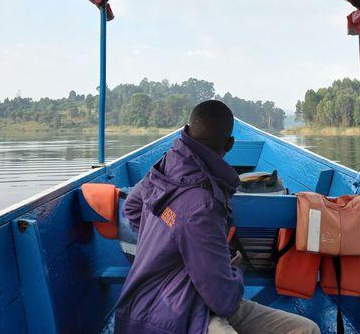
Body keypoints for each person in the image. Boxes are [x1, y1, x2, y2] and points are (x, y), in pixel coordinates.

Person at [114, 100, 320, 334]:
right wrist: (236, 270)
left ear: (188, 130)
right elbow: (223, 301)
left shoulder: (165, 165)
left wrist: (174, 244)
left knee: (306, 330)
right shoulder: (203, 204)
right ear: (230, 144)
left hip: (154, 302)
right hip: (171, 315)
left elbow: (131, 207)